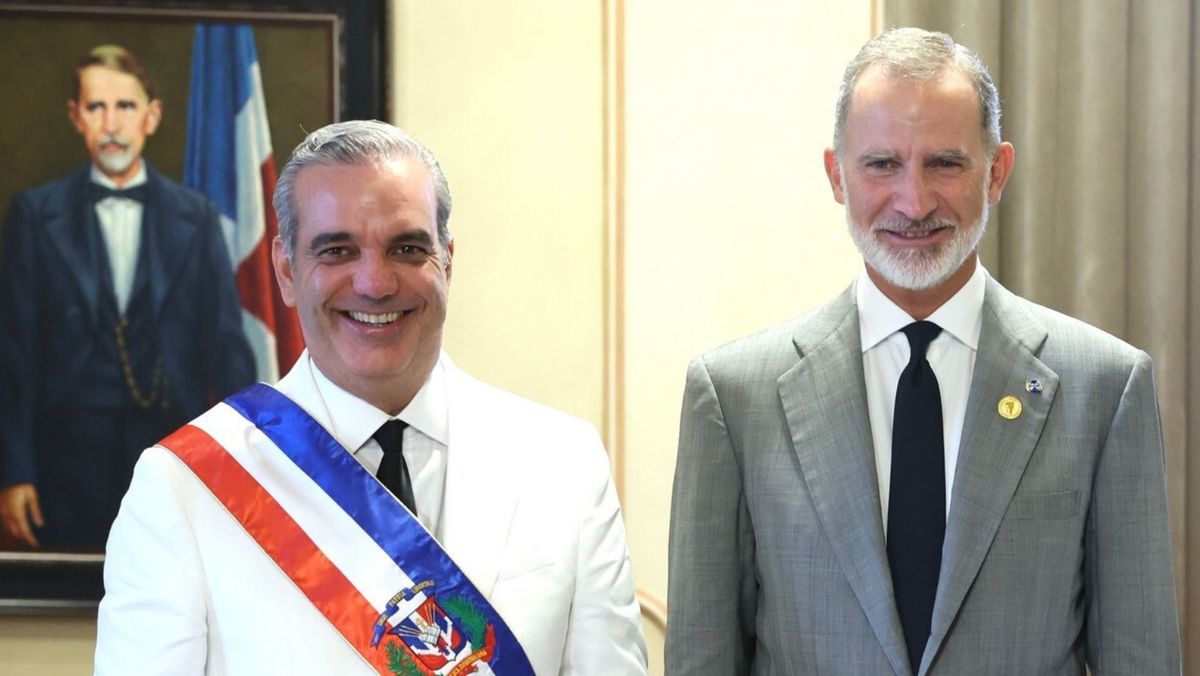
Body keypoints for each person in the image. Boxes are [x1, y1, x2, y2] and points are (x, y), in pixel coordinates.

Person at [667, 27, 1180, 675]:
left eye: (946, 163)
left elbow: (1141, 660)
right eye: (882, 164)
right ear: (836, 176)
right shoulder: (734, 398)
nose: (913, 202)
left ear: (996, 173)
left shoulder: (1104, 390)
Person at [95, 120, 647, 674]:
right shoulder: (184, 485)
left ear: (448, 262)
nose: (375, 283)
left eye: (406, 248)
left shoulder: (564, 463)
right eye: (337, 251)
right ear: (287, 270)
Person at [0, 45, 253, 550]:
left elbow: (225, 350)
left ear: (152, 116)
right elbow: (13, 355)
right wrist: (13, 472)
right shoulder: (34, 215)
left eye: (126, 107)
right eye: (97, 107)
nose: (111, 123)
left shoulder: (196, 217)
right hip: (64, 461)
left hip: (170, 456)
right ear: (76, 117)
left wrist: (242, 465)